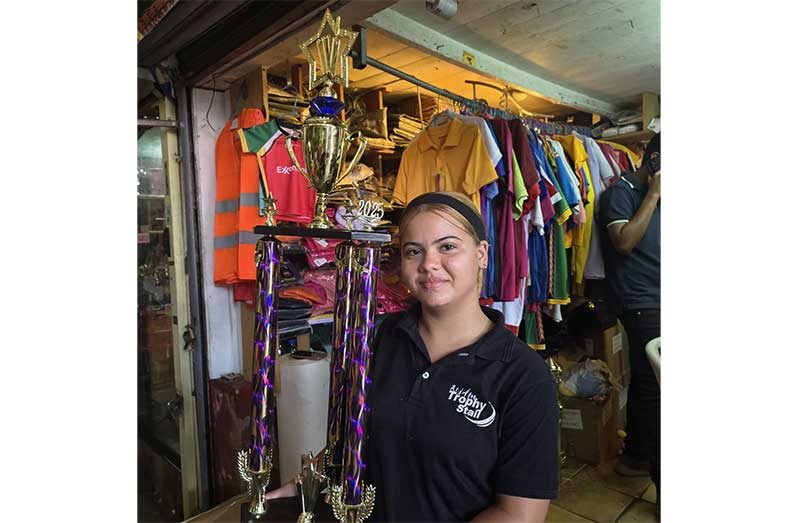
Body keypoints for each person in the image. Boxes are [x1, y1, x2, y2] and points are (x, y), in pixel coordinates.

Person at [266, 191, 559, 522]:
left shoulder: (523, 376)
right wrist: (306, 480)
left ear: (482, 255)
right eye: (413, 251)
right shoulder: (376, 339)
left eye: (447, 246)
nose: (429, 264)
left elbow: (519, 515)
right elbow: (354, 436)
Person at [597, 134, 661, 500]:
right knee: (659, 387)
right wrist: (652, 195)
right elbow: (623, 241)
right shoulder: (620, 192)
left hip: (661, 296)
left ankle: (635, 456)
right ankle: (656, 471)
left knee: (647, 383)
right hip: (641, 300)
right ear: (652, 159)